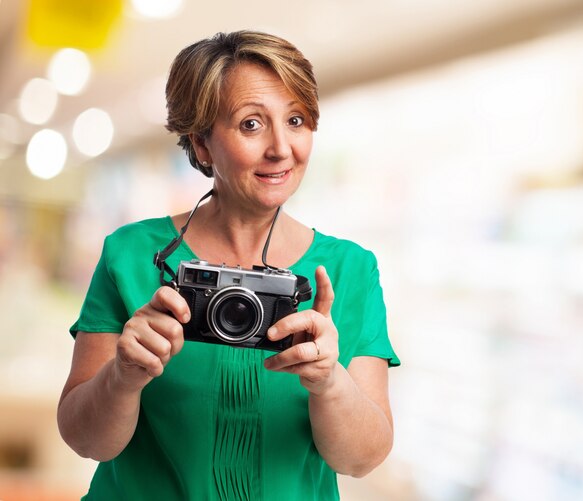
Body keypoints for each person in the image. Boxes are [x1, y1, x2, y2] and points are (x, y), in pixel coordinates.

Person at [58, 30, 400, 500]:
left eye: (296, 120)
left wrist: (329, 382)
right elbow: (84, 440)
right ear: (201, 143)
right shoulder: (132, 255)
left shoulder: (348, 270)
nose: (282, 148)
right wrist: (122, 377)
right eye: (251, 125)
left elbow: (361, 460)